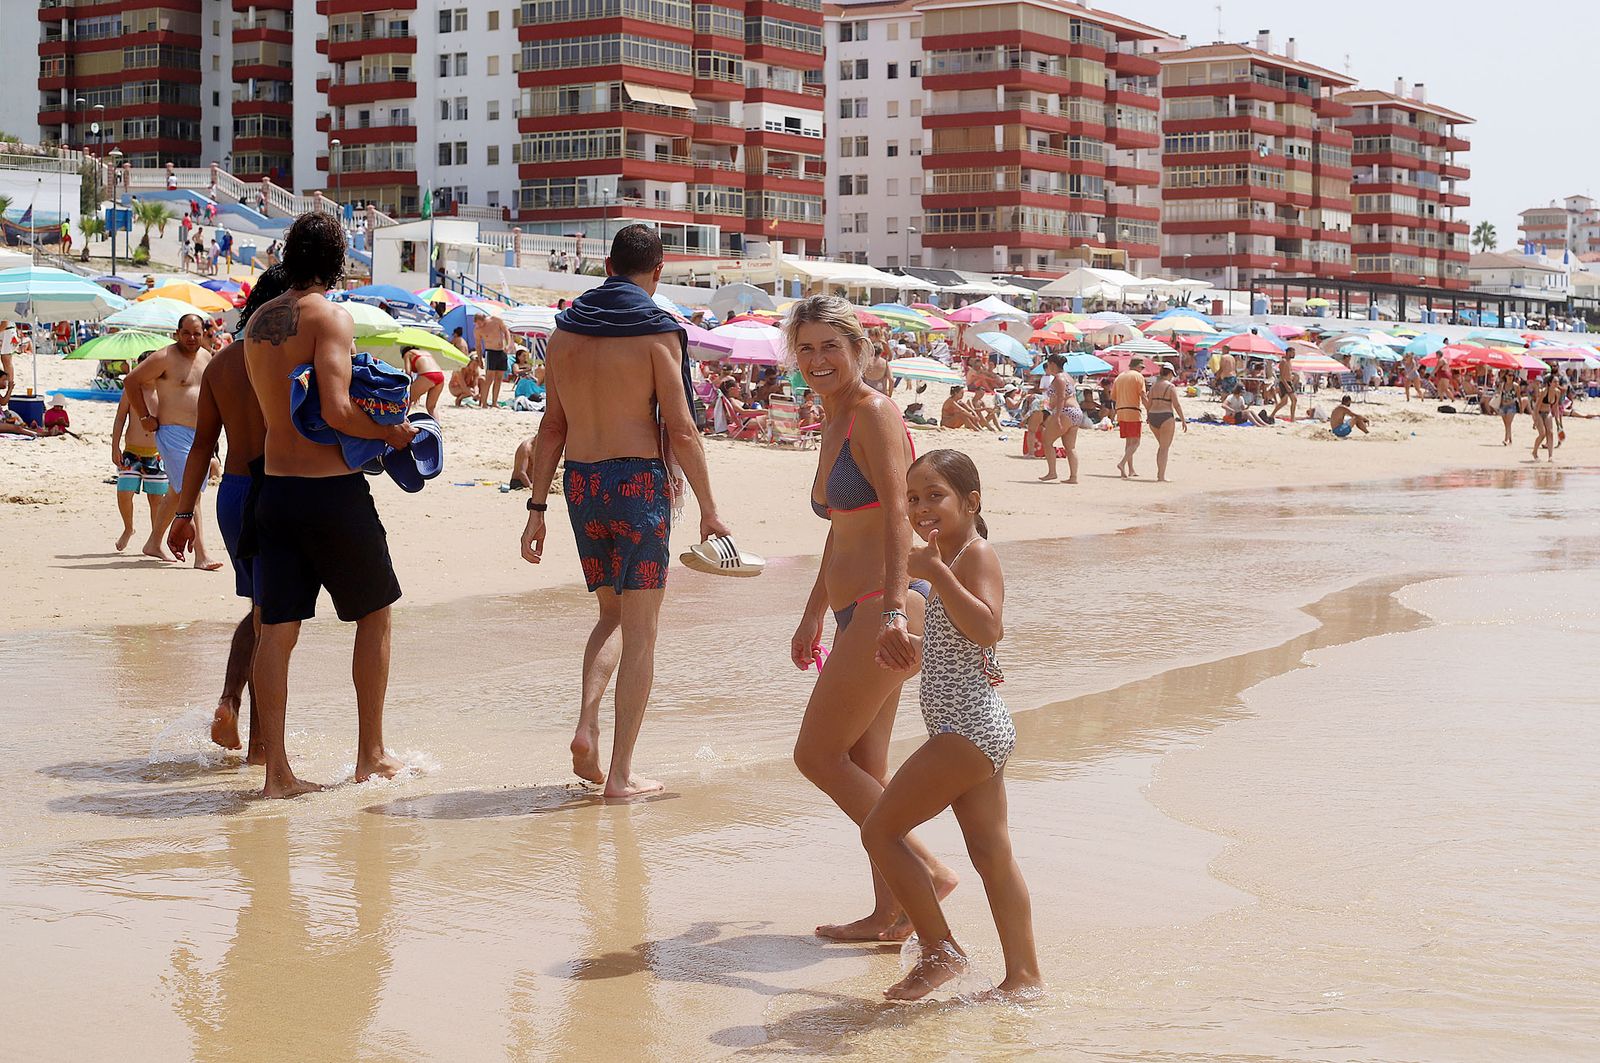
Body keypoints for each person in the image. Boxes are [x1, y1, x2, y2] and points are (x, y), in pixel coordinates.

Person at [516, 224, 730, 798]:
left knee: (610, 615)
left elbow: (551, 427)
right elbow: (681, 429)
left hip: (582, 484)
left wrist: (536, 506)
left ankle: (587, 724)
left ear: (609, 266)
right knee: (642, 632)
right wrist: (710, 509)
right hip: (638, 484)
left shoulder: (565, 331)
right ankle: (621, 775)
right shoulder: (658, 332)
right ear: (657, 272)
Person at [787, 294, 957, 942]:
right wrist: (812, 615)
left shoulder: (874, 412)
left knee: (816, 755)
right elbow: (841, 528)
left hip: (886, 605)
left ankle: (928, 871)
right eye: (806, 347)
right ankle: (890, 910)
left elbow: (896, 513)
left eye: (831, 345)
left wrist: (891, 611)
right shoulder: (832, 419)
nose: (818, 359)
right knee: (864, 765)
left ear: (858, 349)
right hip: (852, 611)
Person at [242, 211, 418, 798]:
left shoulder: (257, 322)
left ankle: (277, 773)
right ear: (338, 260)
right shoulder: (331, 317)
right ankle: (371, 755)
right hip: (330, 493)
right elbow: (338, 410)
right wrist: (392, 433)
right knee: (375, 613)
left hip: (274, 489)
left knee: (277, 629)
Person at [861, 449, 1040, 1002]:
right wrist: (916, 646)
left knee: (879, 831)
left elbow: (988, 629)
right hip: (974, 727)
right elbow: (963, 640)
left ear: (971, 501)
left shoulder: (974, 554)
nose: (921, 508)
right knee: (991, 855)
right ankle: (1024, 978)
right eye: (913, 498)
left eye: (935, 496)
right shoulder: (953, 556)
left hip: (966, 728)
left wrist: (935, 571)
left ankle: (940, 952)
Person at [167, 265, 292, 762]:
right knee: (273, 618)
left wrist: (183, 513)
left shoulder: (219, 364)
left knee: (261, 610)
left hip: (232, 493)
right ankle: (261, 747)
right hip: (276, 486)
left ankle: (230, 703)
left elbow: (202, 444)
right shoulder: (283, 357)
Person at [122, 313, 224, 571]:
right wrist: (144, 416)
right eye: (186, 333)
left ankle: (154, 542)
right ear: (177, 333)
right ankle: (201, 553)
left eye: (197, 333)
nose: (191, 338)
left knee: (178, 492)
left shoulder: (206, 357)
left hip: (199, 435)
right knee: (191, 490)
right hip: (172, 432)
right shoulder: (164, 357)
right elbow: (131, 380)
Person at [110, 378, 171, 554]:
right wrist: (115, 446)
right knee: (124, 492)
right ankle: (128, 528)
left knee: (156, 499)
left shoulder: (164, 390)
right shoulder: (132, 390)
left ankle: (155, 539)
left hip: (156, 453)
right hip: (132, 452)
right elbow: (120, 417)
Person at [1035, 354, 1085, 483]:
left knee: (1047, 441)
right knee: (1070, 447)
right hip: (1076, 412)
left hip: (1065, 411)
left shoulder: (1059, 378)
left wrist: (1056, 416)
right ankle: (1073, 477)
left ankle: (1052, 472)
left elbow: (1061, 397)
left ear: (1052, 364)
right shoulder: (1069, 377)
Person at [1147, 363, 1187, 482]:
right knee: (1164, 448)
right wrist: (1183, 420)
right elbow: (1176, 405)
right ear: (1169, 373)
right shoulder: (1170, 387)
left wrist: (1148, 416)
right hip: (1165, 416)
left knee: (1162, 446)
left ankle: (1160, 473)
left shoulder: (1153, 386)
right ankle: (1161, 476)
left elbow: (1149, 403)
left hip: (1153, 415)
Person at [1111, 356, 1148, 477]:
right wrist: (1149, 411)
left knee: (1129, 442)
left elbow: (1113, 397)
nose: (1142, 370)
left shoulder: (1119, 377)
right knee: (1136, 442)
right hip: (1133, 411)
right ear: (1138, 367)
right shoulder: (1138, 376)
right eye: (1141, 368)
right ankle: (1122, 463)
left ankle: (1131, 469)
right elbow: (1143, 395)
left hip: (1121, 411)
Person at [475, 313, 513, 410]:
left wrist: (508, 345)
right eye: (477, 324)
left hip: (501, 351)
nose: (479, 325)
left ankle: (494, 402)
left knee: (499, 378)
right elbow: (478, 345)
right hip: (490, 352)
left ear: (484, 319)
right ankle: (484, 403)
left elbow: (506, 332)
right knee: (489, 378)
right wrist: (480, 359)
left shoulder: (496, 320)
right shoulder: (478, 330)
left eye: (479, 323)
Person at [404, 346, 445, 416]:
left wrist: (412, 387)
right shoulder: (426, 353)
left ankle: (402, 420)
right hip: (440, 375)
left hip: (427, 375)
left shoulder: (408, 353)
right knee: (431, 407)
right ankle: (437, 422)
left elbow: (408, 373)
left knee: (408, 400)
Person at [1531, 371, 1560, 462]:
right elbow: (1537, 406)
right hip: (1538, 412)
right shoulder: (1544, 391)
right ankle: (1534, 452)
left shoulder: (1557, 392)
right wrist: (1535, 420)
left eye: (1557, 382)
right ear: (1550, 383)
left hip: (1548, 413)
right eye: (1555, 382)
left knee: (1550, 433)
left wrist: (1557, 419)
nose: (1557, 384)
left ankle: (1550, 456)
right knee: (1542, 434)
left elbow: (1555, 406)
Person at [1269, 356, 1297, 421]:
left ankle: (1292, 418)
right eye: (1292, 352)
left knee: (1291, 400)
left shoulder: (1289, 361)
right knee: (1285, 401)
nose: (1294, 354)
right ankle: (1272, 414)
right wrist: (1286, 385)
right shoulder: (1283, 361)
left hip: (1289, 382)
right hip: (1284, 383)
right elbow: (1281, 375)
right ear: (1288, 352)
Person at [1498, 371, 1521, 446]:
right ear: (1506, 376)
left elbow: (1518, 397)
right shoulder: (1502, 385)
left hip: (1512, 406)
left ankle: (1506, 439)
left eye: (1512, 375)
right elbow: (1500, 395)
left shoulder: (1516, 386)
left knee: (1508, 423)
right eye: (1509, 375)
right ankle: (1510, 439)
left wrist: (1521, 407)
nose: (1511, 377)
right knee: (1506, 424)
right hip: (1503, 406)